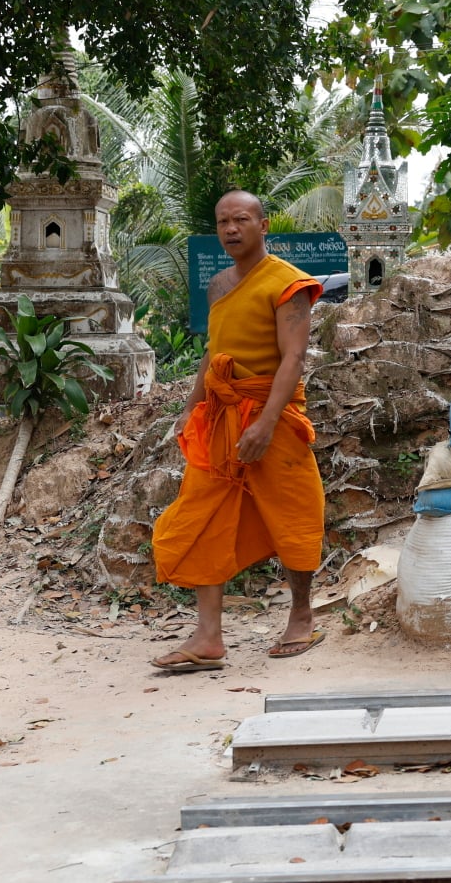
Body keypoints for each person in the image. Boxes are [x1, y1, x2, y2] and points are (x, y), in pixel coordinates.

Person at [149, 191, 326, 671]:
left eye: (241, 220)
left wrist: (267, 422)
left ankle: (302, 614)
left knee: (293, 513)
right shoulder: (218, 284)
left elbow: (294, 357)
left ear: (263, 225)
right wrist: (191, 410)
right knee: (204, 511)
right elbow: (212, 353)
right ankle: (208, 637)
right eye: (223, 221)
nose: (231, 229)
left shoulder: (287, 283)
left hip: (274, 415)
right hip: (223, 417)